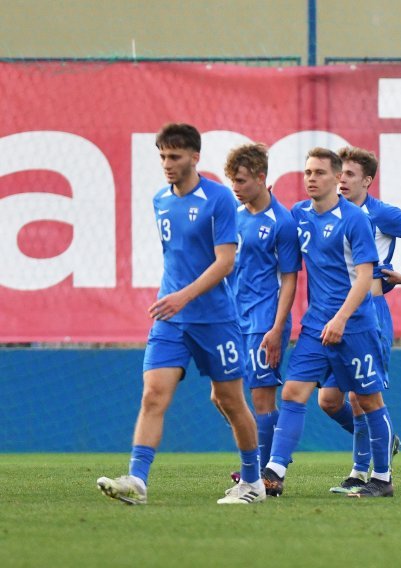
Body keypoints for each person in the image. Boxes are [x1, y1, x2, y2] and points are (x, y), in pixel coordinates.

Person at [97, 123, 265, 505]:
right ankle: (137, 481)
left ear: (195, 157)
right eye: (162, 156)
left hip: (215, 320)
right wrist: (173, 301)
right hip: (171, 319)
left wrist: (183, 297)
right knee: (153, 395)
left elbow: (225, 262)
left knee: (230, 400)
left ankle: (253, 482)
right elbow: (176, 258)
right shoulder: (160, 199)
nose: (167, 164)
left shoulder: (218, 199)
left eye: (174, 156)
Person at [261, 147, 397, 498]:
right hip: (316, 325)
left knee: (368, 401)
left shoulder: (355, 219)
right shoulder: (299, 214)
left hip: (355, 325)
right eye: (308, 172)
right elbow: (272, 223)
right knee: (293, 392)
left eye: (319, 172)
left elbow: (365, 277)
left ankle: (382, 478)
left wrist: (341, 318)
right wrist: (263, 193)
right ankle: (274, 472)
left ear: (337, 178)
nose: (311, 178)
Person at [317, 146, 401, 494]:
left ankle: (364, 473)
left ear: (367, 180)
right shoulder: (330, 213)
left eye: (350, 174)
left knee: (361, 397)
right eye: (340, 173)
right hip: (336, 313)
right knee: (329, 400)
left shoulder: (380, 212)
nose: (342, 180)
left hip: (369, 313)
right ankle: (381, 439)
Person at [221, 143, 300, 485]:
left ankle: (262, 474)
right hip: (233, 319)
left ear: (260, 177)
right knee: (223, 396)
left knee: (261, 397)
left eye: (240, 181)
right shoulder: (234, 217)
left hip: (264, 320)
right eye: (232, 181)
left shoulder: (281, 221)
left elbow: (289, 278)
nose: (235, 188)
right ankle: (269, 457)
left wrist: (277, 327)